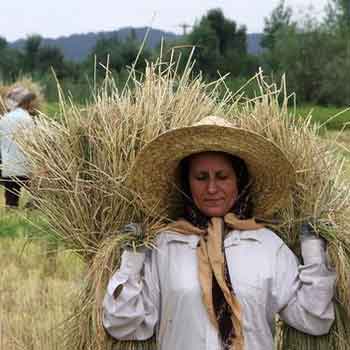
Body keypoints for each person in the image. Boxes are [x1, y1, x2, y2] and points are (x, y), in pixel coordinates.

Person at [102, 116, 336, 350]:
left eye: (222, 177)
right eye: (201, 178)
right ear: (186, 183)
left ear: (239, 180)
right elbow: (124, 325)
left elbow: (314, 320)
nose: (212, 188)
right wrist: (131, 260)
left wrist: (313, 251)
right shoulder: (165, 246)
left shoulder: (267, 246)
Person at [0, 87, 36, 207]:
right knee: (36, 191)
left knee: (11, 201)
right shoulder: (28, 119)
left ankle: (12, 208)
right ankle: (33, 203)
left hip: (9, 168)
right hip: (26, 167)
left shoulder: (4, 119)